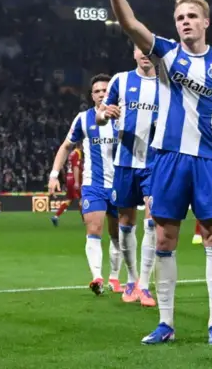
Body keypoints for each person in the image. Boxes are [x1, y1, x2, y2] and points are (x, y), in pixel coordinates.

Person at [105, 0, 212, 346]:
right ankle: (166, 323)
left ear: (206, 22)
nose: (185, 22)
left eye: (191, 16)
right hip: (167, 158)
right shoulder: (167, 54)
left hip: (208, 160)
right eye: (179, 18)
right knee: (164, 239)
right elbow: (130, 24)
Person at [49, 77, 120, 294]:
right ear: (92, 95)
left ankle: (115, 278)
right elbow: (66, 146)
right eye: (97, 91)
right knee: (94, 229)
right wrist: (54, 175)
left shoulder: (124, 117)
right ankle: (97, 277)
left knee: (118, 234)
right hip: (93, 184)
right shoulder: (83, 119)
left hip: (120, 184)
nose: (101, 94)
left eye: (105, 90)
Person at [107, 48, 160, 307]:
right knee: (126, 222)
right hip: (125, 162)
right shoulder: (120, 80)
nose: (145, 54)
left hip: (154, 163)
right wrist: (106, 114)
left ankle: (145, 285)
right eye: (140, 49)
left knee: (153, 221)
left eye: (149, 49)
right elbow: (101, 114)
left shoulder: (167, 84)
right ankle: (131, 279)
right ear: (134, 53)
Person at [50, 146, 82, 225]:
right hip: (74, 179)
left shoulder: (71, 153)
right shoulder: (77, 153)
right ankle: (85, 220)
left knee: (69, 200)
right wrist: (77, 181)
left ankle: (56, 216)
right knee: (82, 199)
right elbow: (75, 167)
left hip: (69, 178)